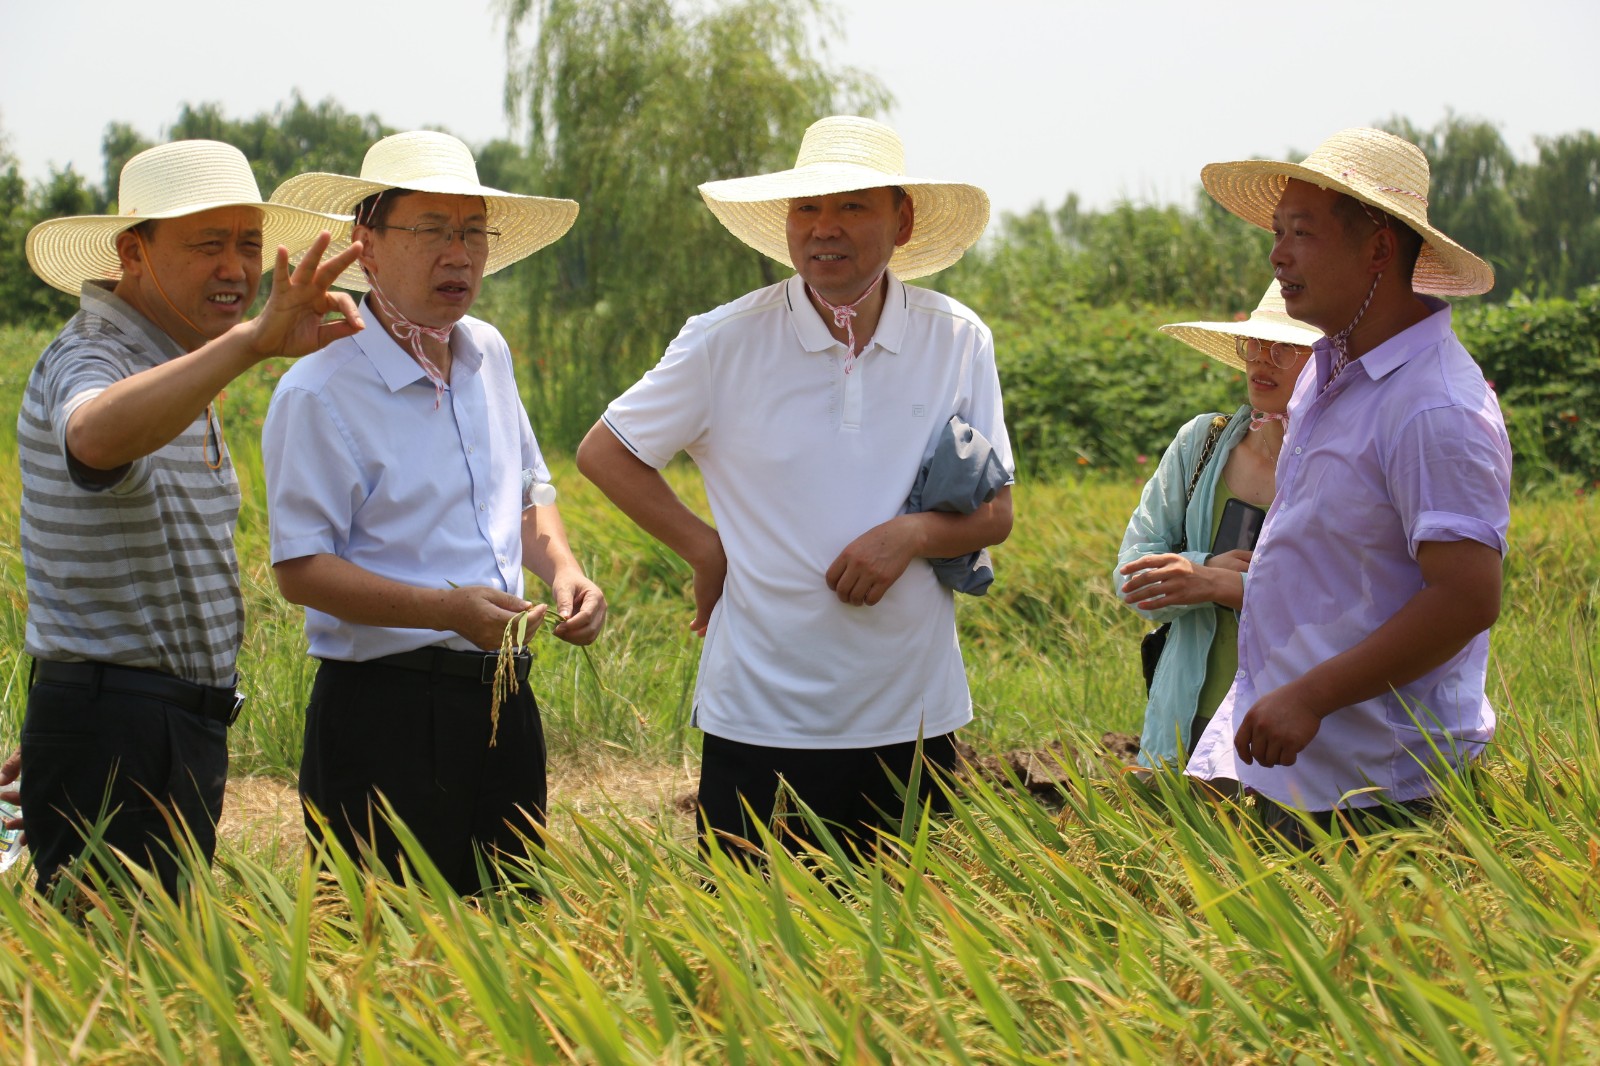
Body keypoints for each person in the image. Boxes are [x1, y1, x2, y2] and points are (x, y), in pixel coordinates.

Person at [575, 115, 1012, 857]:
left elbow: (996, 513)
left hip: (912, 707)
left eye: (851, 207)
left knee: (913, 950)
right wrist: (707, 551)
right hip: (761, 712)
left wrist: (909, 535)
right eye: (807, 209)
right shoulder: (726, 340)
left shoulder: (956, 338)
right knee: (754, 949)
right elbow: (606, 452)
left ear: (901, 220)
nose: (824, 229)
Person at [13, 139, 361, 898]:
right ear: (131, 253)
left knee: (156, 971)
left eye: (247, 244)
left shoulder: (177, 360)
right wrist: (249, 342)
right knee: (124, 985)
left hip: (153, 728)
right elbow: (93, 434)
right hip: (118, 731)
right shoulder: (94, 353)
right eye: (208, 245)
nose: (236, 270)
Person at [262, 131, 605, 895]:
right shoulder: (321, 390)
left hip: (504, 691)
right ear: (367, 248)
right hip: (385, 707)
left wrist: (565, 569)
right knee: (383, 958)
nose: (459, 255)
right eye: (431, 232)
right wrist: (445, 612)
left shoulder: (487, 352)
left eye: (473, 232)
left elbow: (527, 495)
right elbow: (301, 569)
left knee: (508, 935)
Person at [1185, 128, 1512, 846]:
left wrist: (1312, 695)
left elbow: (1466, 597)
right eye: (1276, 232)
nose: (1277, 255)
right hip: (1305, 766)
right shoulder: (1330, 372)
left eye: (1302, 233)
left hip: (1381, 790)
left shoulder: (1433, 407)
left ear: (1378, 249)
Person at [1115, 284, 1317, 771]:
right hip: (1190, 715)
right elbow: (1129, 575)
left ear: (1322, 361)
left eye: (1285, 348)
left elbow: (1341, 599)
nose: (1262, 361)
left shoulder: (1336, 463)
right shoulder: (1201, 444)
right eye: (1254, 345)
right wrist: (1202, 570)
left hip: (1293, 726)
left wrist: (1226, 584)